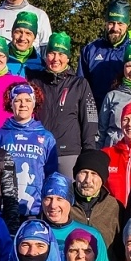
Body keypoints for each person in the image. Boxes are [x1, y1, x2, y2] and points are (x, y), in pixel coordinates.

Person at [27, 31, 97, 178]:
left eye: (61, 54)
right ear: (46, 55)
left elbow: (89, 119)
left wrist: (89, 151)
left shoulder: (79, 84)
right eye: (52, 53)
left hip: (69, 153)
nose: (56, 59)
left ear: (68, 58)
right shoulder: (35, 82)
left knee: (66, 196)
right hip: (39, 150)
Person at [0, 82, 59, 219]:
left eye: (28, 100)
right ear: (11, 104)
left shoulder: (46, 137)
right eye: (17, 100)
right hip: (3, 207)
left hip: (34, 210)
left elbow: (50, 175)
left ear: (34, 104)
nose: (23, 104)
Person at [40, 173, 109, 261]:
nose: (53, 205)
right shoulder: (32, 233)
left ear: (70, 201)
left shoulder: (92, 235)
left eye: (60, 199)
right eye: (48, 198)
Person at [70, 149, 123, 249]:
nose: (87, 180)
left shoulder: (115, 207)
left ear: (103, 179)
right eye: (83, 172)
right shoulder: (63, 203)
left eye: (94, 174)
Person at [80, 0, 131, 103]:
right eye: (111, 23)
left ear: (127, 25)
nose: (115, 28)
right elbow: (81, 86)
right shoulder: (90, 50)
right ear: (106, 23)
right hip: (96, 112)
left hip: (123, 114)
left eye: (120, 24)